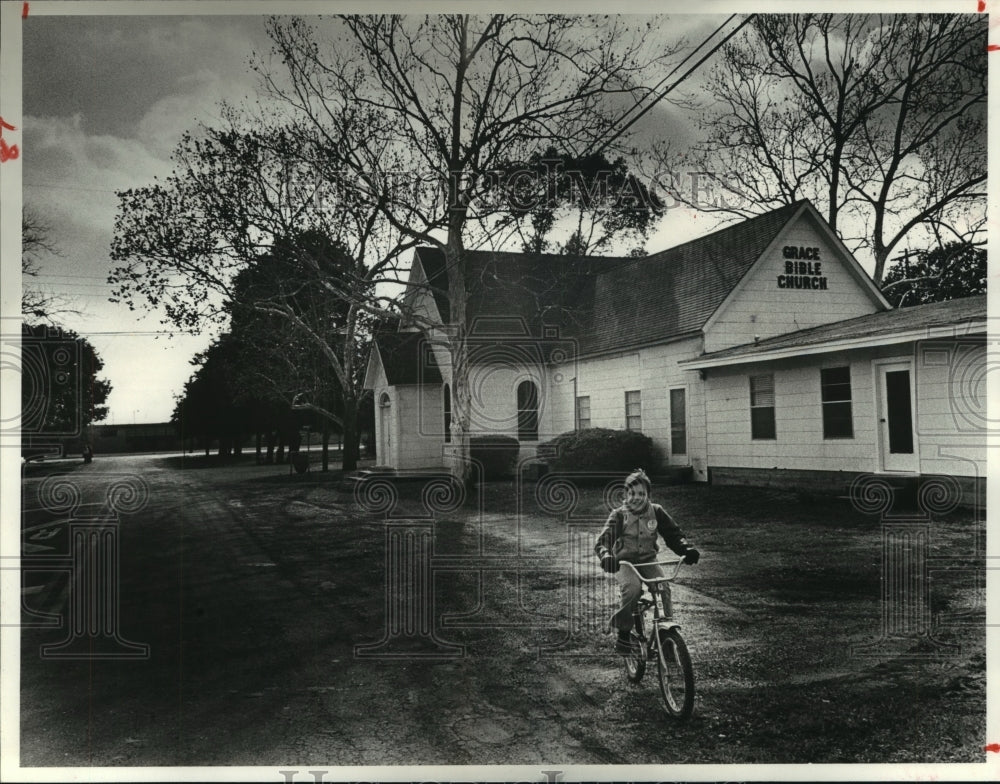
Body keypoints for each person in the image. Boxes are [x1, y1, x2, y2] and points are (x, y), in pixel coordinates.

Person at [594, 468, 700, 653]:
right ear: (626, 494)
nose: (636, 497)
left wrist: (685, 548)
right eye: (632, 493)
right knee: (632, 589)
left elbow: (673, 534)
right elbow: (603, 541)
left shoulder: (656, 511)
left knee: (663, 588)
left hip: (648, 560)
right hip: (625, 563)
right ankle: (624, 633)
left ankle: (666, 636)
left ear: (648, 495)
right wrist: (606, 556)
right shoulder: (619, 515)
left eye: (641, 493)